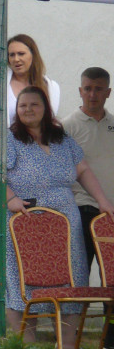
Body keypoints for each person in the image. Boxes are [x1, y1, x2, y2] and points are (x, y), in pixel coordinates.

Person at [0, 86, 114, 349]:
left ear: (46, 108)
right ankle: (25, 344)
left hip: (65, 222)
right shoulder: (7, 141)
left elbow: (83, 170)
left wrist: (102, 201)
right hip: (21, 218)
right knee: (20, 277)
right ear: (16, 111)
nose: (28, 110)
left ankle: (67, 345)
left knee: (70, 275)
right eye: (23, 106)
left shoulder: (62, 140)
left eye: (34, 105)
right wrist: (10, 199)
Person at [63, 67, 114, 271]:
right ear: (80, 90)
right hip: (82, 208)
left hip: (111, 211)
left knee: (110, 278)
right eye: (88, 88)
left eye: (99, 89)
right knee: (79, 273)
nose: (92, 94)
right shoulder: (67, 126)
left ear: (108, 92)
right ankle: (78, 305)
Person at [0, 34, 61, 124]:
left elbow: (51, 120)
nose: (16, 59)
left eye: (21, 54)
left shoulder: (51, 87)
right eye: (11, 55)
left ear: (33, 55)